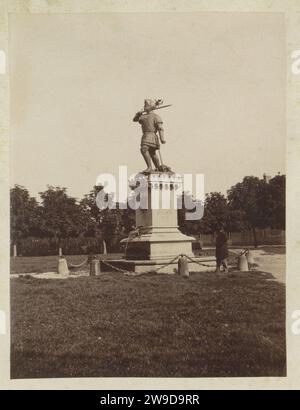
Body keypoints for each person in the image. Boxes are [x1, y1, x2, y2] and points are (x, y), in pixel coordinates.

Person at [133, 99, 166, 173]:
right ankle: (157, 167)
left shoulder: (156, 116)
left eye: (146, 105)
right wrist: (138, 114)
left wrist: (162, 138)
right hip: (145, 135)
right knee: (152, 152)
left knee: (145, 149)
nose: (144, 107)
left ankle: (150, 167)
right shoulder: (143, 116)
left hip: (151, 135)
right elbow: (135, 120)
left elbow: (160, 128)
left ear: (151, 106)